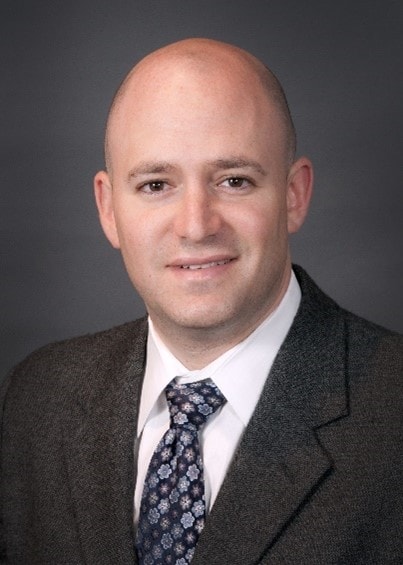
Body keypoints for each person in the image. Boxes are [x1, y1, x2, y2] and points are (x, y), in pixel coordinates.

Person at [1, 38, 402, 565]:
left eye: (234, 181)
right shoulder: (35, 400)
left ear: (293, 195)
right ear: (107, 208)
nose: (196, 225)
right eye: (155, 184)